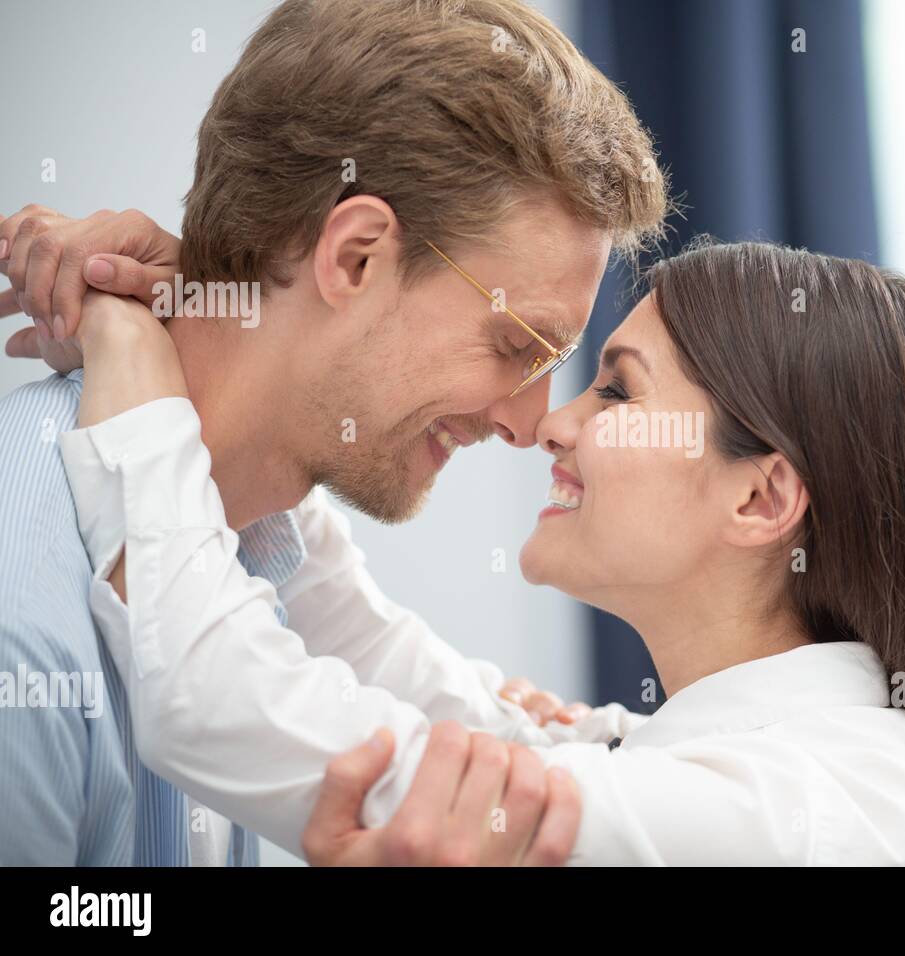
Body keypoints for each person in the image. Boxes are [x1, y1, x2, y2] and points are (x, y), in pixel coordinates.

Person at [48, 239, 905, 865]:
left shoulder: (783, 815)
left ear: (760, 497)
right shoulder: (724, 759)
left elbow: (213, 700)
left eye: (617, 394)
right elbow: (375, 653)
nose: (552, 424)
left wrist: (133, 353)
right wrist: (247, 355)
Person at [0, 0, 668, 865]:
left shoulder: (257, 549)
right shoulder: (25, 630)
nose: (526, 423)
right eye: (514, 346)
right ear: (354, 256)